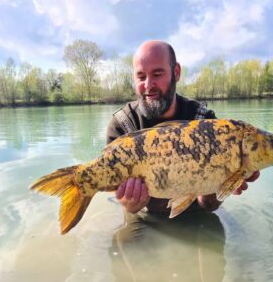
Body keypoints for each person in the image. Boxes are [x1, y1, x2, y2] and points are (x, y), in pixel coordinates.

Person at [106, 40, 260, 216]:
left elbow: (209, 205)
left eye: (157, 74)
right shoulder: (122, 125)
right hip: (145, 217)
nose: (148, 85)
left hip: (196, 216)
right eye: (141, 77)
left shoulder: (206, 124)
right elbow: (125, 204)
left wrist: (220, 186)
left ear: (176, 72)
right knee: (123, 243)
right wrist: (129, 204)